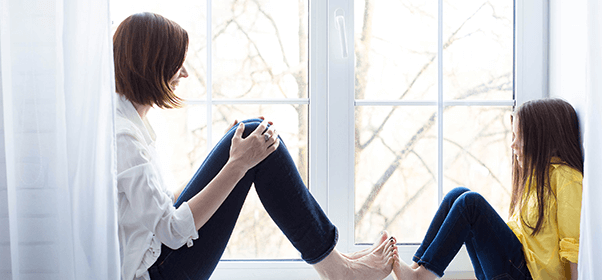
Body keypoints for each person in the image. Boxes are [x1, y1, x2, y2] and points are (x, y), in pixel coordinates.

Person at [113, 12, 397, 280]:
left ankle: (335, 261)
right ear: (151, 66)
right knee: (253, 136)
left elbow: (164, 206)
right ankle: (337, 268)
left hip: (160, 258)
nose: (184, 74)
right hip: (158, 272)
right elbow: (172, 230)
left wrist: (226, 161)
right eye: (176, 63)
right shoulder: (125, 138)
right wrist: (236, 165)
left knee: (253, 138)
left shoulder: (128, 125)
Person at [391, 98, 583, 280]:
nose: (512, 145)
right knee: (457, 195)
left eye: (520, 137)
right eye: (513, 136)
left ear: (543, 138)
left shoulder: (566, 178)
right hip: (516, 268)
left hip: (529, 276)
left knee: (471, 203)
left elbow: (572, 245)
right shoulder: (537, 176)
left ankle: (422, 277)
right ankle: (418, 268)